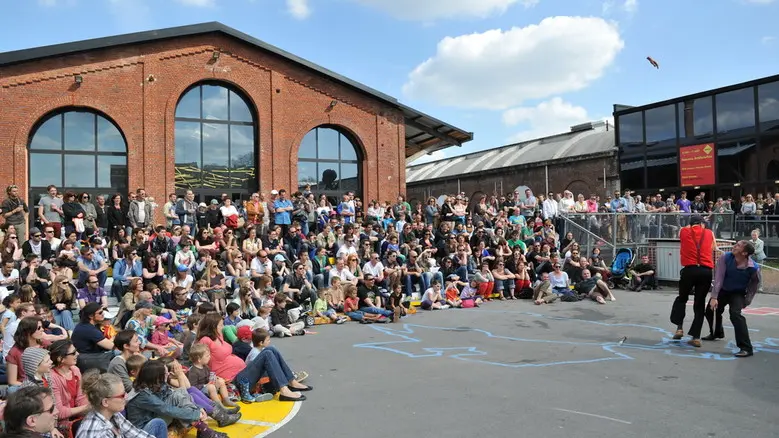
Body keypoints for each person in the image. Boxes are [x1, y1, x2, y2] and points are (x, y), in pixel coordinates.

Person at [704, 240, 760, 358]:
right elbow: (719, 277)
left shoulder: (753, 267)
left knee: (735, 315)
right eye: (736, 244)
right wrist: (714, 297)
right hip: (723, 289)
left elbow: (754, 285)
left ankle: (746, 348)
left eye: (738, 246)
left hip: (738, 293)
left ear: (744, 253)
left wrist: (747, 300)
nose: (734, 246)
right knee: (710, 310)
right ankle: (716, 333)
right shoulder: (725, 258)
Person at [671, 214, 716, 347]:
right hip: (706, 270)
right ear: (702, 223)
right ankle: (696, 336)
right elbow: (713, 247)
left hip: (689, 270)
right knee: (699, 303)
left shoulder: (684, 231)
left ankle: (679, 327)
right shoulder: (709, 233)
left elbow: (685, 230)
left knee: (682, 298)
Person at [77, 371, 162, 438]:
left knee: (158, 423)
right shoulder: (98, 432)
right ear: (105, 402)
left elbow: (134, 433)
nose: (126, 397)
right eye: (122, 395)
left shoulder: (113, 413)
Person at [71, 303, 114, 372]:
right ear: (91, 316)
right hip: (86, 359)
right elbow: (112, 346)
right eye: (100, 313)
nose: (103, 314)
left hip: (87, 357)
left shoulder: (85, 325)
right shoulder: (88, 329)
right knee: (118, 353)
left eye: (103, 311)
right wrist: (113, 338)